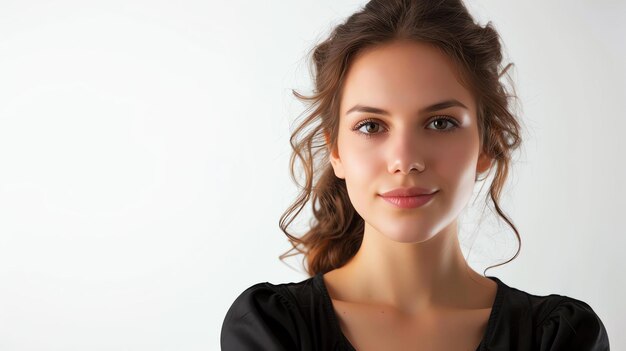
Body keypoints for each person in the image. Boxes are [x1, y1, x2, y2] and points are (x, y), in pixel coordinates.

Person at [220, 0, 610, 350]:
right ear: (336, 151)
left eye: (440, 123)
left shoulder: (560, 337)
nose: (405, 160)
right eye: (372, 126)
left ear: (487, 144)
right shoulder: (272, 328)